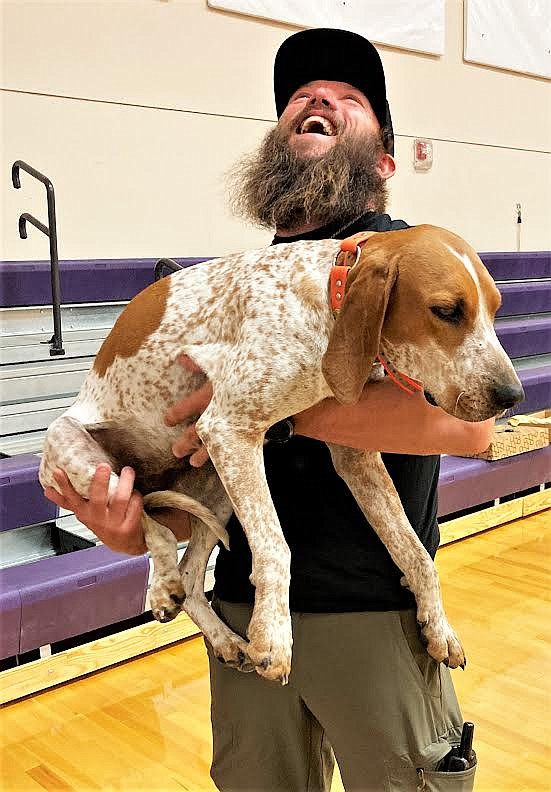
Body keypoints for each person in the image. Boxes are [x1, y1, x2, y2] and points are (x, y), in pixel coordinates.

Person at [46, 28, 489, 791]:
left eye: (349, 101)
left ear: (383, 163)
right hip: (245, 605)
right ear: (271, 149)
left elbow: (470, 428)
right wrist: (135, 527)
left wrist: (270, 408)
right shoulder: (235, 283)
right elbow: (199, 475)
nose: (318, 100)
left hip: (370, 615)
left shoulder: (409, 261)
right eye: (299, 99)